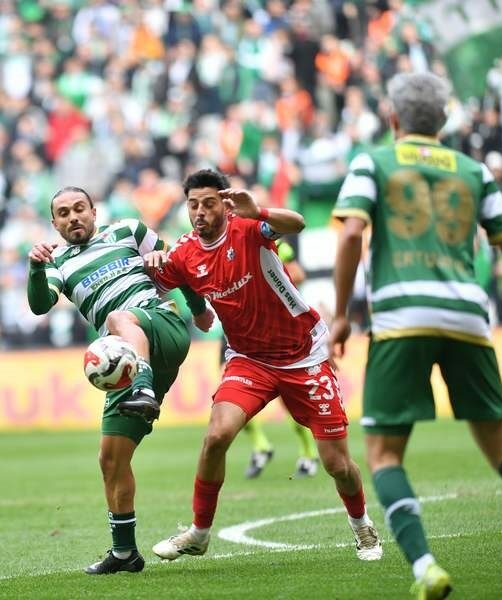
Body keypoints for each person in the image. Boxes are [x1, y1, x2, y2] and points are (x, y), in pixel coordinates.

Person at [330, 72, 502, 600]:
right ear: (445, 120)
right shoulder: (474, 170)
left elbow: (351, 232)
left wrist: (342, 314)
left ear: (392, 118)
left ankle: (426, 567)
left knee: (385, 455)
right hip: (468, 315)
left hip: (402, 317)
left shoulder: (374, 161)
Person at [144, 168, 382, 563]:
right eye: (193, 205)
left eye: (208, 203)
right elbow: (166, 277)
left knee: (337, 464)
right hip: (249, 360)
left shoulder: (249, 228)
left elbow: (297, 223)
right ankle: (199, 533)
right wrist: (160, 268)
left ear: (224, 204)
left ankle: (362, 527)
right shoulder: (185, 252)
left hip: (304, 354)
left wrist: (260, 211)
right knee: (216, 436)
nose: (200, 212)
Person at [26, 186, 209, 575]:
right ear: (54, 223)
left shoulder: (127, 230)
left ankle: (142, 384)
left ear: (94, 212)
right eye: (63, 213)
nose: (73, 217)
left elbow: (177, 265)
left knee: (117, 318)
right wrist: (36, 269)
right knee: (111, 459)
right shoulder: (57, 263)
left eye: (79, 208)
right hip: (123, 359)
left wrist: (198, 307)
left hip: (161, 324)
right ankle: (124, 553)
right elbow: (41, 305)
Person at [239, 238, 320, 479]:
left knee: (289, 398)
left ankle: (309, 453)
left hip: (273, 327)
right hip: (239, 328)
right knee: (229, 396)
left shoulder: (276, 244)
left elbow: (299, 274)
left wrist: (267, 277)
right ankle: (261, 446)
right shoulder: (227, 246)